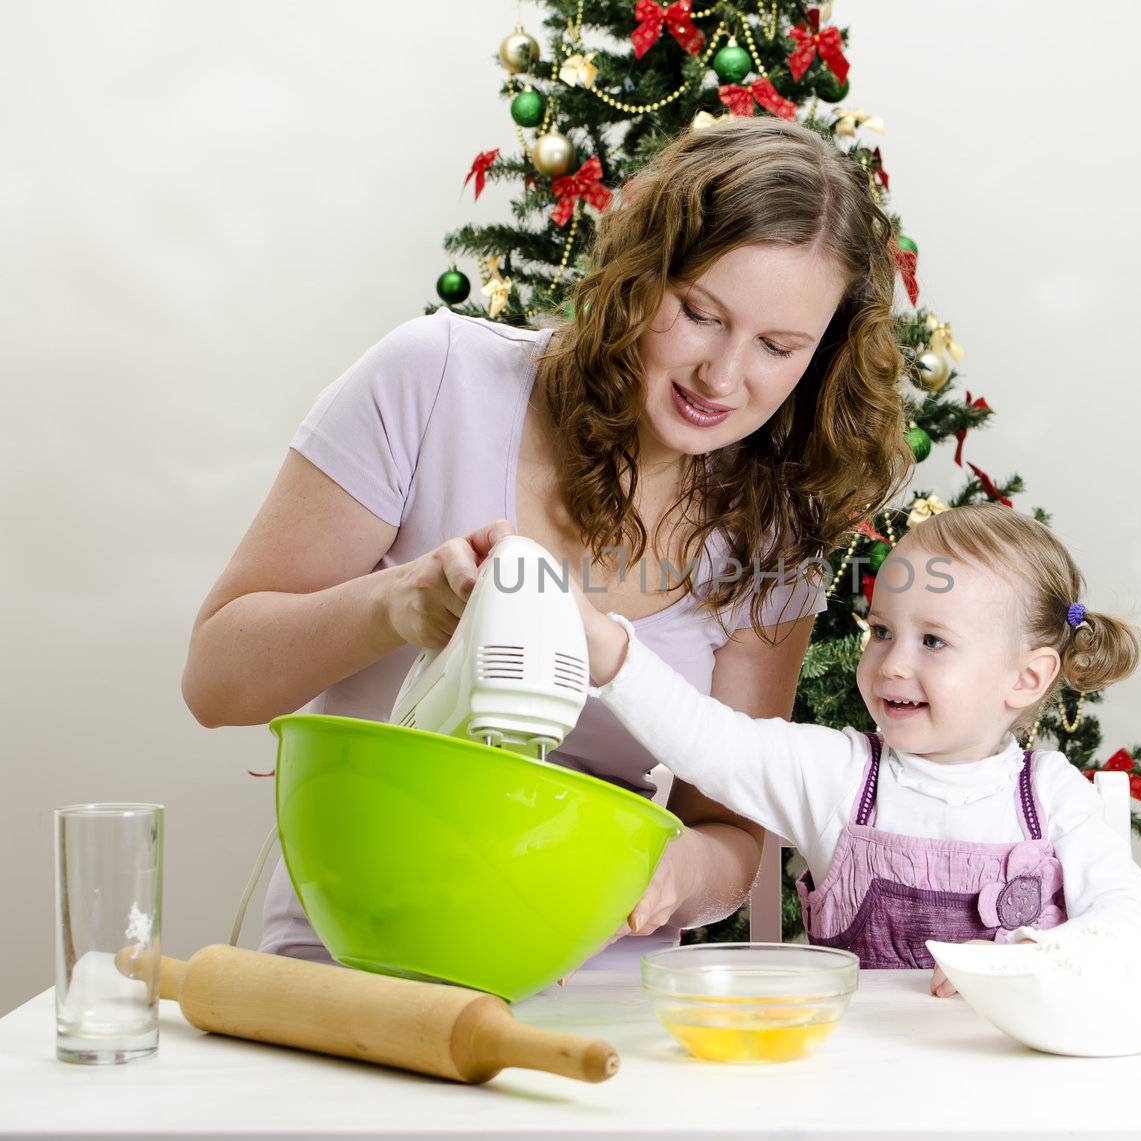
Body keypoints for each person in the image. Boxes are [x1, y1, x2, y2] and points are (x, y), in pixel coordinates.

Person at [181, 116, 913, 968]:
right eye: (700, 313)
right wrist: (395, 606)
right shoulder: (434, 381)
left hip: (595, 990)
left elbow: (731, 832)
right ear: (643, 276)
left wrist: (678, 876)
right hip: (351, 961)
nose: (723, 376)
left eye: (778, 347)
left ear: (820, 356)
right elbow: (214, 681)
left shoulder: (772, 535)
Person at [560, 502, 1141, 995]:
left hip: (1013, 1086)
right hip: (859, 1082)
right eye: (881, 632)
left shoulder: (1054, 796)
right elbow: (708, 742)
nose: (892, 664)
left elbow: (1133, 918)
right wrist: (606, 647)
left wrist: (1036, 955)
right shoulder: (840, 777)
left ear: (1027, 677)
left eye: (933, 641)